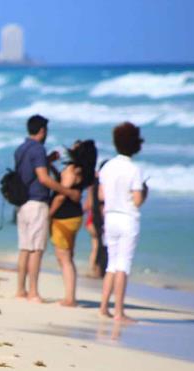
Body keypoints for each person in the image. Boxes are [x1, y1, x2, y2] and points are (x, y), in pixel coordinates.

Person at [14, 115, 81, 303]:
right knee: (36, 249)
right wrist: (68, 192)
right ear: (42, 130)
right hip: (37, 202)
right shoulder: (38, 149)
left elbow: (28, 173)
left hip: (22, 202)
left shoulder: (21, 149)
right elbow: (43, 178)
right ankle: (33, 292)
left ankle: (20, 290)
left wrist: (48, 160)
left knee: (25, 248)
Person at [98, 122, 148, 322]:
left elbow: (101, 195)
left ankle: (103, 307)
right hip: (128, 218)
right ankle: (118, 311)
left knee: (111, 264)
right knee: (123, 266)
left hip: (110, 217)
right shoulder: (134, 169)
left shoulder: (108, 166)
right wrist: (145, 192)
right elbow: (137, 201)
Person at [49, 140, 97, 307]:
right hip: (75, 216)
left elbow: (61, 195)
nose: (71, 148)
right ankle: (70, 296)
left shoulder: (72, 169)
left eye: (76, 147)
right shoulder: (84, 171)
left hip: (63, 217)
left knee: (64, 257)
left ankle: (70, 298)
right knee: (67, 256)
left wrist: (49, 214)